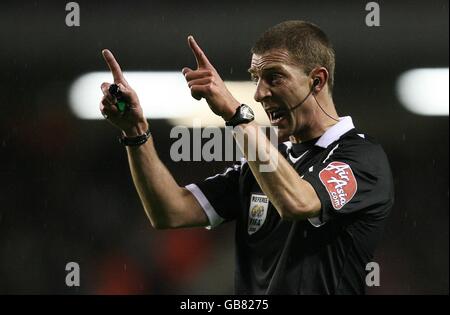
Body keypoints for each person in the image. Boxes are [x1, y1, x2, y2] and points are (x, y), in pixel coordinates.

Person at [99, 20, 394, 295]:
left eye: (274, 77)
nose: (258, 93)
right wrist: (135, 131)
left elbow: (299, 202)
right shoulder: (259, 168)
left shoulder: (362, 159)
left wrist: (234, 114)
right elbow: (171, 212)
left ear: (316, 81)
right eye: (256, 78)